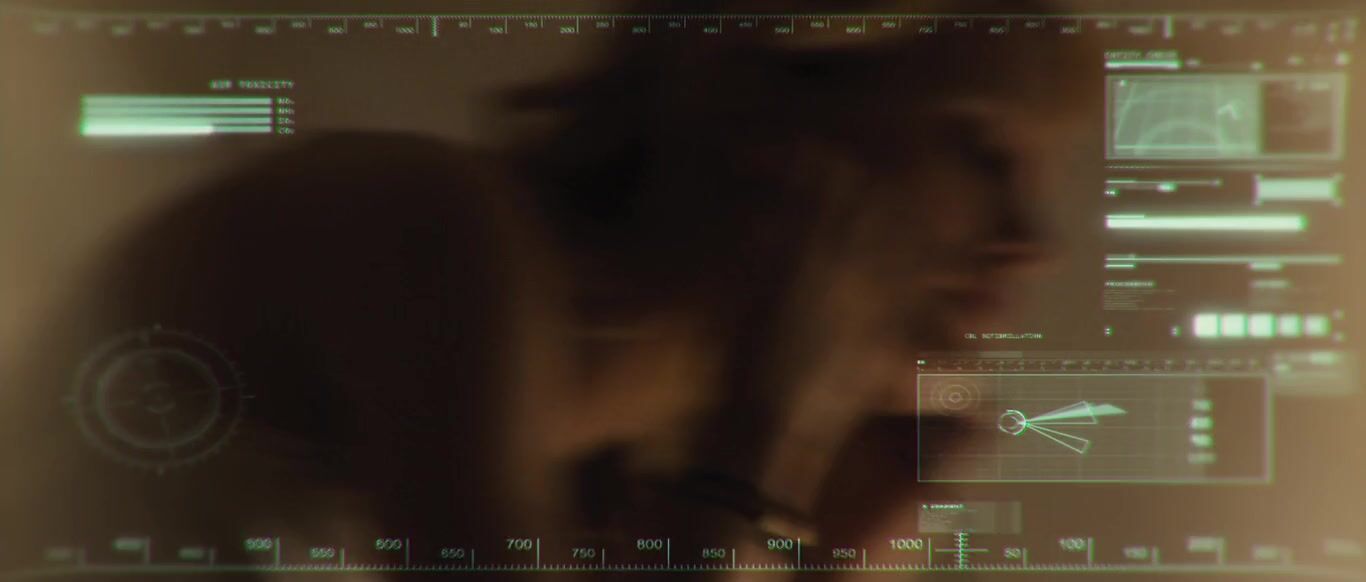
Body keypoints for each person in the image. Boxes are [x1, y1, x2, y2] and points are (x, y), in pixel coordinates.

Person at [0, 1, 1100, 579]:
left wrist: (837, 552)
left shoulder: (620, 478)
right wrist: (769, 439)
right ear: (756, 100)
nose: (1031, 245)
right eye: (979, 150)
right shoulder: (433, 234)